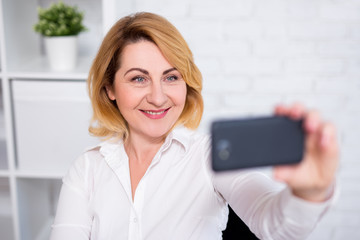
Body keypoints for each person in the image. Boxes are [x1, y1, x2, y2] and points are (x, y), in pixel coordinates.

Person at [50, 12, 339, 240]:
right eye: (139, 78)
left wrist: (310, 193)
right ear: (110, 88)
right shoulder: (86, 170)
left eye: (171, 77)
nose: (158, 96)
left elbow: (274, 226)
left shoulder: (210, 156)